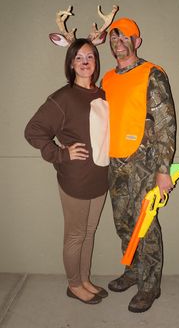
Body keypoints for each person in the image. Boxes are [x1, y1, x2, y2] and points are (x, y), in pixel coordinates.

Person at [25, 38, 110, 304]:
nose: (85, 62)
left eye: (90, 57)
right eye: (79, 58)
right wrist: (61, 153)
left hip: (101, 177)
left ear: (96, 61)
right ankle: (74, 285)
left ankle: (84, 279)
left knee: (89, 232)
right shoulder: (63, 97)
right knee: (75, 235)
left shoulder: (103, 94)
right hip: (75, 179)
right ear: (71, 64)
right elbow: (33, 131)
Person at [102, 18, 176, 313]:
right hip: (114, 162)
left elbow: (166, 124)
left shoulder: (151, 74)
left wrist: (163, 169)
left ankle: (150, 285)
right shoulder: (107, 78)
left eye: (125, 37)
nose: (118, 43)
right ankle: (132, 270)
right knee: (123, 223)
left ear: (137, 41)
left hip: (144, 163)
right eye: (113, 38)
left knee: (145, 225)